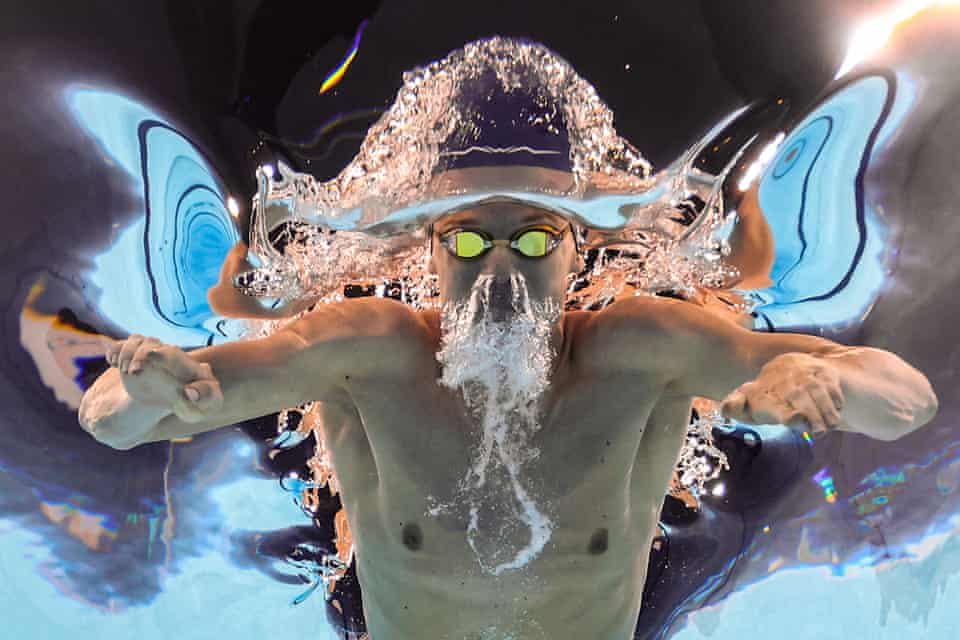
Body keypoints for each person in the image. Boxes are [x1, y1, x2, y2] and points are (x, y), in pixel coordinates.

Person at [77, 159, 939, 639]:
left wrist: (822, 384)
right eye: (467, 240)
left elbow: (909, 404)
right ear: (431, 253)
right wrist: (137, 389)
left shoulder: (641, 350)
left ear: (572, 259)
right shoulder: (365, 349)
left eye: (532, 240)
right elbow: (118, 422)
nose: (499, 269)